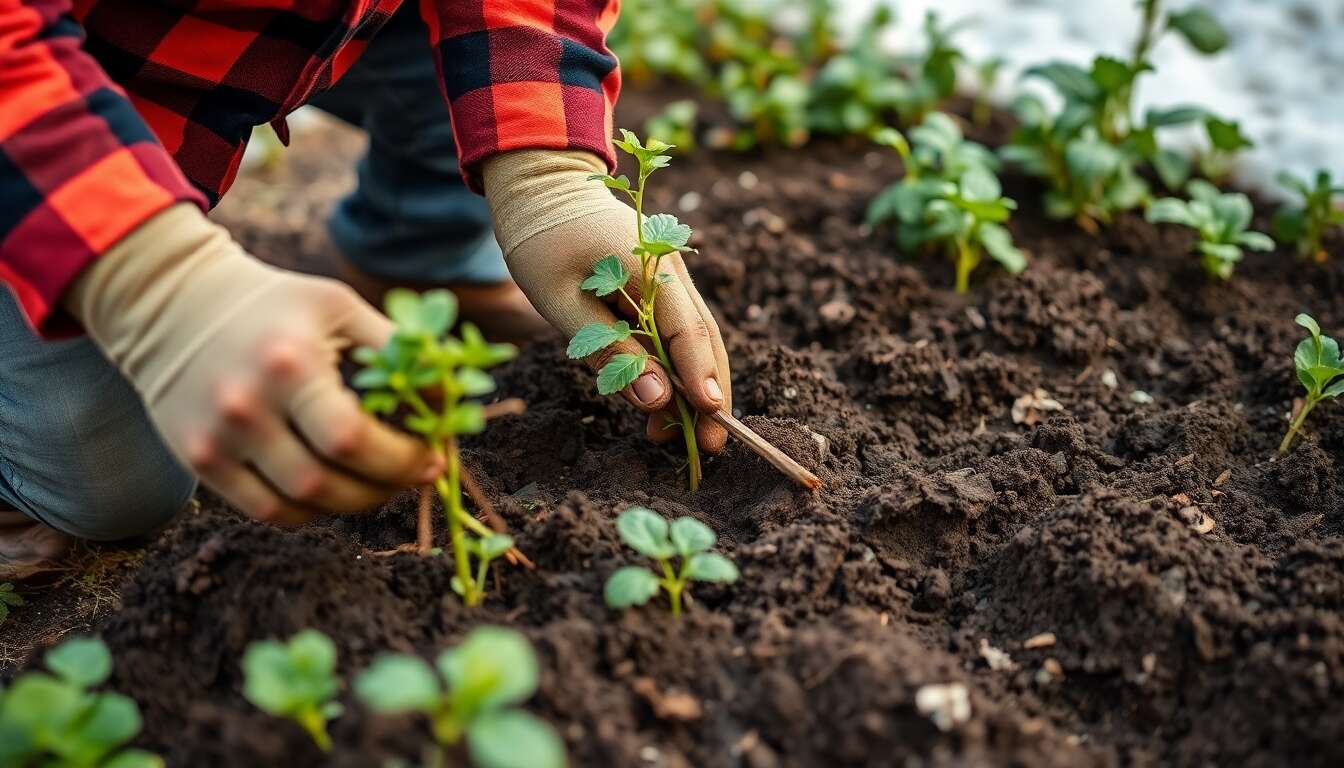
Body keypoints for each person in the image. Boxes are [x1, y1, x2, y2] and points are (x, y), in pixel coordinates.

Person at [0, 0, 732, 579]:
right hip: (41, 110)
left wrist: (546, 170)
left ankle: (420, 247)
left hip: (287, 27)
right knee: (112, 487)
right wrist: (151, 279)